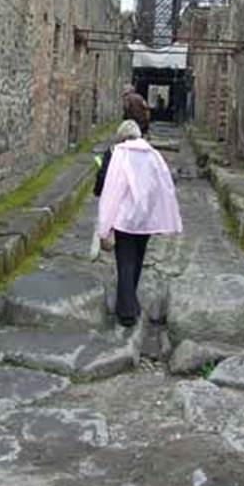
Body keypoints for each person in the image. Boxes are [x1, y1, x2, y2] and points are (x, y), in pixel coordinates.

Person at [95, 120, 182, 329]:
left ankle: (126, 312)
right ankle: (130, 299)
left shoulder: (116, 153)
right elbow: (162, 185)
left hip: (124, 217)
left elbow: (107, 183)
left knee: (124, 261)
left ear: (122, 136)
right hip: (145, 218)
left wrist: (104, 220)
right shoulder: (153, 155)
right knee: (138, 258)